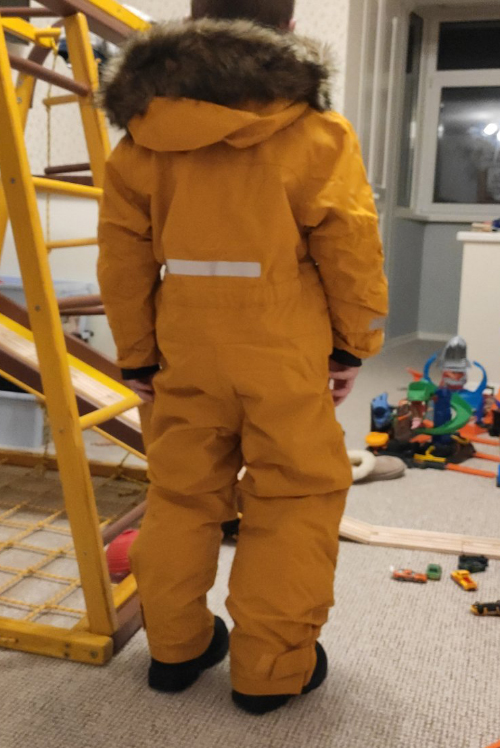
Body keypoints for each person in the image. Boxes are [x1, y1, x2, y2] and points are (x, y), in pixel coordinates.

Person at [98, 0, 388, 715]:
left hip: (184, 342)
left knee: (181, 493)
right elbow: (349, 244)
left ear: (191, 22)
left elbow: (123, 257)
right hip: (282, 342)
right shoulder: (316, 130)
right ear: (286, 29)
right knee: (294, 494)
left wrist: (137, 356)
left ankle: (176, 649)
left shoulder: (144, 134)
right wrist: (353, 344)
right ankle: (270, 670)